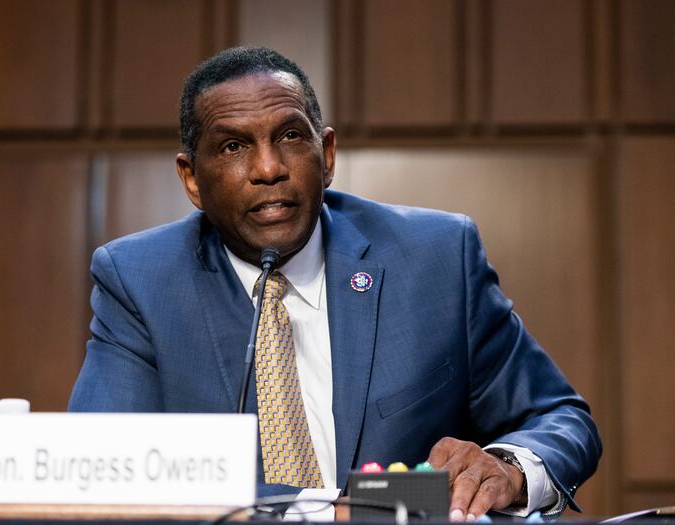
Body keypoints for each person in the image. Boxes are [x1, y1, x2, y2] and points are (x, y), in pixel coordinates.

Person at [69, 47, 601, 520]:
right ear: (191, 178)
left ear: (325, 156)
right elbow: (101, 470)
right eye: (233, 147)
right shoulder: (141, 280)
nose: (269, 168)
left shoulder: (436, 257)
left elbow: (558, 417)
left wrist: (508, 468)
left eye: (290, 136)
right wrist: (321, 514)